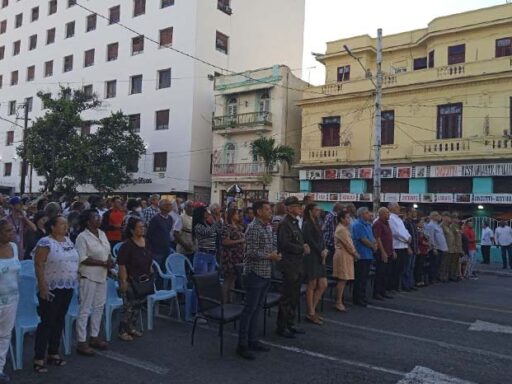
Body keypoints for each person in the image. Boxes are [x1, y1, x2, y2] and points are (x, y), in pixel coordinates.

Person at [33, 215, 79, 373]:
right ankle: (39, 357)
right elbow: (38, 264)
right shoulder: (45, 242)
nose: (66, 226)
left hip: (67, 286)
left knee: (59, 320)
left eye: (67, 224)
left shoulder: (68, 240)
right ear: (52, 226)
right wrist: (43, 286)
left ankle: (53, 352)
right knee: (47, 321)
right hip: (52, 287)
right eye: (62, 224)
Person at [236, 201, 280, 360]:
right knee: (249, 309)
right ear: (259, 211)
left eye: (271, 209)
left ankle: (252, 340)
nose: (270, 212)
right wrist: (270, 256)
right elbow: (251, 253)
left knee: (258, 309)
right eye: (267, 209)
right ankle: (242, 345)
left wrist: (275, 253)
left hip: (266, 272)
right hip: (254, 274)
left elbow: (271, 246)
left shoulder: (267, 226)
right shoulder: (253, 228)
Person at [74, 210, 112, 356]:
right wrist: (102, 262)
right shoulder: (82, 237)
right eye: (95, 217)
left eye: (99, 216)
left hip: (102, 275)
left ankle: (94, 336)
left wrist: (109, 260)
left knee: (99, 307)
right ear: (88, 221)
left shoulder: (101, 233)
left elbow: (106, 250)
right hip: (88, 275)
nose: (99, 219)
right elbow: (82, 258)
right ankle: (81, 341)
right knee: (85, 308)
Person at [276, 196, 309, 338]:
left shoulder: (295, 223)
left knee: (294, 297)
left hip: (297, 265)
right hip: (289, 265)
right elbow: (284, 244)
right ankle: (282, 326)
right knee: (287, 297)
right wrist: (301, 248)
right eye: (296, 206)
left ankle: (290, 323)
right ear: (289, 208)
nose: (299, 209)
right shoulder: (285, 223)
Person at [117, 218, 153, 341]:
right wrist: (124, 281)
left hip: (143, 280)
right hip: (131, 280)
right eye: (139, 227)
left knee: (138, 305)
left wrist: (150, 270)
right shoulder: (127, 246)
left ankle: (131, 327)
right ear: (132, 230)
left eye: (143, 226)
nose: (142, 229)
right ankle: (122, 330)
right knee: (129, 306)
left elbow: (149, 257)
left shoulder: (146, 242)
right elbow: (122, 265)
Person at [0, 219, 20, 384]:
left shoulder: (13, 247)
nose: (11, 233)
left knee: (5, 335)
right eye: (7, 231)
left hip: (12, 299)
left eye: (11, 230)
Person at [302, 203, 328, 324]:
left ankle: (312, 308)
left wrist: (324, 249)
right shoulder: (307, 224)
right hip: (312, 256)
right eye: (316, 210)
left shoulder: (318, 222)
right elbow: (309, 240)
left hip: (320, 256)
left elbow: (321, 239)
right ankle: (311, 312)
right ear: (310, 211)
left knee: (323, 284)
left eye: (319, 210)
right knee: (312, 284)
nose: (319, 212)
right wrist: (320, 250)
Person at [351, 207, 377, 306]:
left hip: (368, 254)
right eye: (366, 213)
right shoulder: (358, 225)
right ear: (361, 215)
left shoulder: (368, 225)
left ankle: (363, 296)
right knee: (360, 278)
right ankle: (357, 298)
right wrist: (373, 246)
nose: (369, 214)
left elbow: (372, 237)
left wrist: (375, 244)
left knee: (364, 277)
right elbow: (363, 239)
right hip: (361, 254)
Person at [333, 210, 358, 311]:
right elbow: (348, 244)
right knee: (342, 279)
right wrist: (355, 253)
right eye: (347, 217)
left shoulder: (344, 228)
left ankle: (339, 300)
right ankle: (338, 302)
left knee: (344, 279)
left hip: (346, 255)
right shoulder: (341, 229)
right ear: (342, 219)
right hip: (343, 255)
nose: (349, 219)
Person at [220, 208, 245, 304]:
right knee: (228, 279)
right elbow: (224, 241)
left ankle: (230, 300)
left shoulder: (238, 226)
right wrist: (240, 241)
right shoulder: (227, 227)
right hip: (229, 256)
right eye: (236, 214)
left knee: (233, 279)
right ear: (231, 215)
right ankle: (224, 302)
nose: (238, 215)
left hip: (237, 256)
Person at [388, 203, 412, 291]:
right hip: (396, 246)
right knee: (395, 268)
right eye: (397, 208)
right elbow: (396, 232)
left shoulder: (399, 219)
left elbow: (404, 230)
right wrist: (406, 239)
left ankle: (396, 285)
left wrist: (409, 237)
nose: (399, 209)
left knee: (400, 268)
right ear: (392, 208)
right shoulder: (391, 218)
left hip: (403, 246)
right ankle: (392, 286)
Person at [192, 206, 223, 274]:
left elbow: (219, 231)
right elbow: (208, 232)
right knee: (203, 279)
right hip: (203, 255)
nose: (208, 212)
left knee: (210, 279)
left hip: (212, 254)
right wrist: (216, 221)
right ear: (201, 213)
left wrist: (219, 221)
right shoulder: (198, 226)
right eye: (205, 211)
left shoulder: (209, 224)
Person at [372, 207, 394, 300]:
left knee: (386, 273)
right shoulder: (378, 224)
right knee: (380, 273)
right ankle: (377, 293)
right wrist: (383, 252)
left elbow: (389, 237)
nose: (389, 214)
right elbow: (378, 238)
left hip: (389, 251)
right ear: (381, 214)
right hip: (382, 252)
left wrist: (392, 250)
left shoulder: (387, 223)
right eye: (387, 213)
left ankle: (383, 291)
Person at [146, 199, 174, 269]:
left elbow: (168, 232)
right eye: (167, 205)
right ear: (161, 207)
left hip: (166, 249)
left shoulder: (170, 218)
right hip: (156, 251)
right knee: (156, 270)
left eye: (170, 205)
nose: (170, 206)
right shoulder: (155, 219)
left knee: (165, 270)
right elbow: (149, 234)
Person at [423, 211, 448, 283]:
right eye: (437, 215)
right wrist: (434, 248)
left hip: (440, 247)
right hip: (435, 248)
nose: (438, 217)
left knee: (438, 263)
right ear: (433, 217)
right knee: (433, 264)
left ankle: (435, 277)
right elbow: (431, 237)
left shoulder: (437, 225)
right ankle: (432, 278)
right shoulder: (431, 225)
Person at [322, 203, 344, 267]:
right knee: (331, 262)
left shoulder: (329, 214)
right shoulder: (334, 216)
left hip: (327, 240)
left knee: (328, 261)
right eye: (341, 209)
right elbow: (333, 231)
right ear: (338, 209)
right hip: (331, 242)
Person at [403, 208, 419, 291]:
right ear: (409, 213)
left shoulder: (413, 223)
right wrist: (408, 247)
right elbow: (405, 236)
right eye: (413, 212)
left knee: (412, 267)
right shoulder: (406, 223)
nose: (415, 213)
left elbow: (416, 236)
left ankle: (411, 283)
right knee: (407, 267)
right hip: (409, 248)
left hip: (415, 248)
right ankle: (406, 285)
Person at [440, 212, 455, 282]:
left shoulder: (449, 226)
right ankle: (442, 277)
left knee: (449, 263)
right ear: (444, 217)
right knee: (444, 263)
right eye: (448, 217)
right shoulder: (442, 226)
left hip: (451, 248)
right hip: (445, 248)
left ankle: (447, 276)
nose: (449, 219)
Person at [415, 220, 430, 286]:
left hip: (424, 250)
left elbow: (427, 238)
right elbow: (420, 241)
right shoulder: (418, 231)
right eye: (421, 222)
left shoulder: (422, 231)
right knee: (419, 266)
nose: (422, 224)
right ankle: (418, 281)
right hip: (420, 250)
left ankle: (422, 280)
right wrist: (427, 243)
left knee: (423, 266)